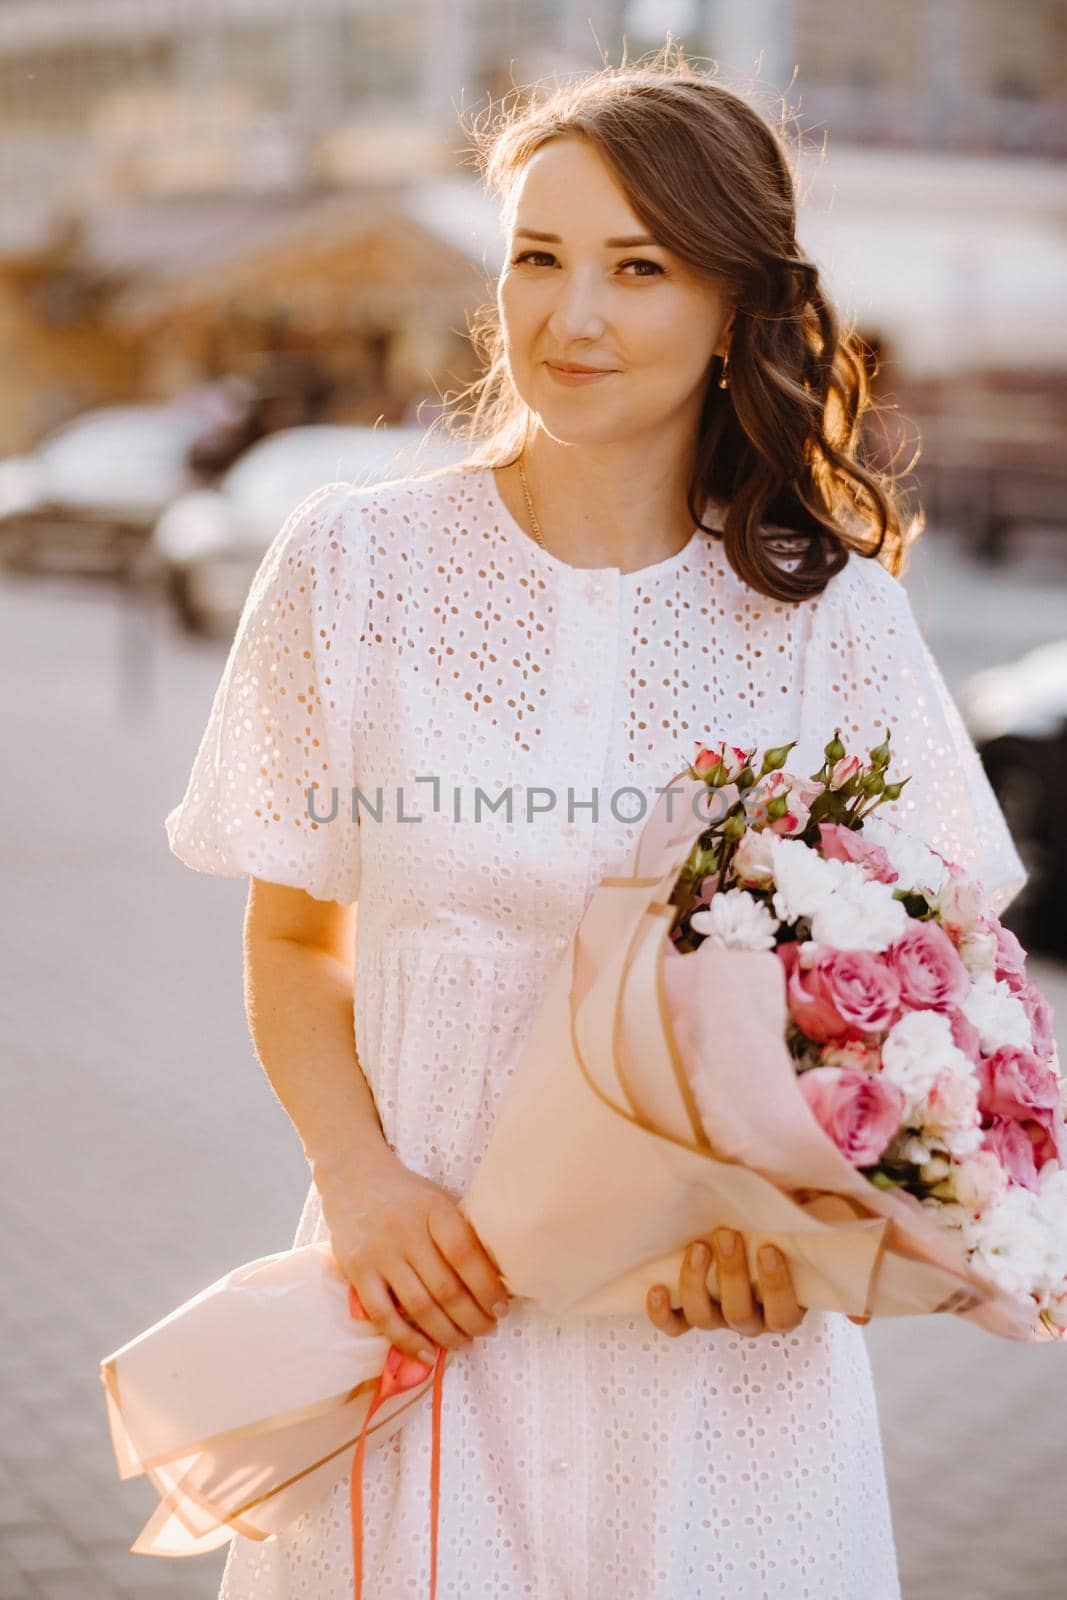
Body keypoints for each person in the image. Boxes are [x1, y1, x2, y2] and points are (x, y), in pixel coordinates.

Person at [165, 46, 1025, 1600]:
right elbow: (295, 939)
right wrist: (361, 1183)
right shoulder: (352, 569)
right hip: (418, 1312)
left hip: (713, 1372)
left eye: (639, 267)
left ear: (730, 310)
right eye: (538, 258)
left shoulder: (833, 624)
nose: (571, 316)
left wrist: (803, 1236)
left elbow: (929, 1004)